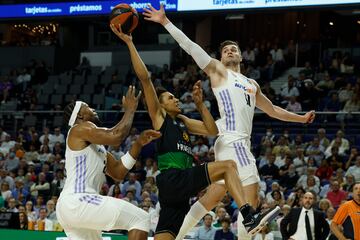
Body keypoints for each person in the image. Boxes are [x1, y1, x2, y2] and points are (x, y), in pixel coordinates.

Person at [143, 4, 315, 240]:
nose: (230, 51)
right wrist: (165, 22)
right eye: (226, 51)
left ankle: (170, 236)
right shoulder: (219, 72)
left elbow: (273, 110)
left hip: (234, 142)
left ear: (242, 56)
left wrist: (301, 118)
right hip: (232, 140)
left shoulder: (252, 84)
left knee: (211, 198)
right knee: (251, 201)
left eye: (234, 49)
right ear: (221, 58)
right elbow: (191, 48)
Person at [110, 21, 279, 239]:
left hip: (178, 192)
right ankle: (248, 215)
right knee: (228, 167)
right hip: (174, 178)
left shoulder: (182, 121)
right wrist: (130, 44)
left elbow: (210, 130)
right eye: (171, 98)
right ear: (160, 106)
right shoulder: (160, 118)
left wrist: (200, 105)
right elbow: (145, 78)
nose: (176, 98)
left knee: (169, 236)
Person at [56, 87, 162, 240]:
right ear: (80, 115)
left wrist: (137, 144)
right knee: (140, 219)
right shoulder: (79, 129)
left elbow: (118, 172)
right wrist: (130, 110)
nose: (93, 110)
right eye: (88, 108)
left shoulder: (96, 147)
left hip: (72, 208)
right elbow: (116, 136)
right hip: (78, 200)